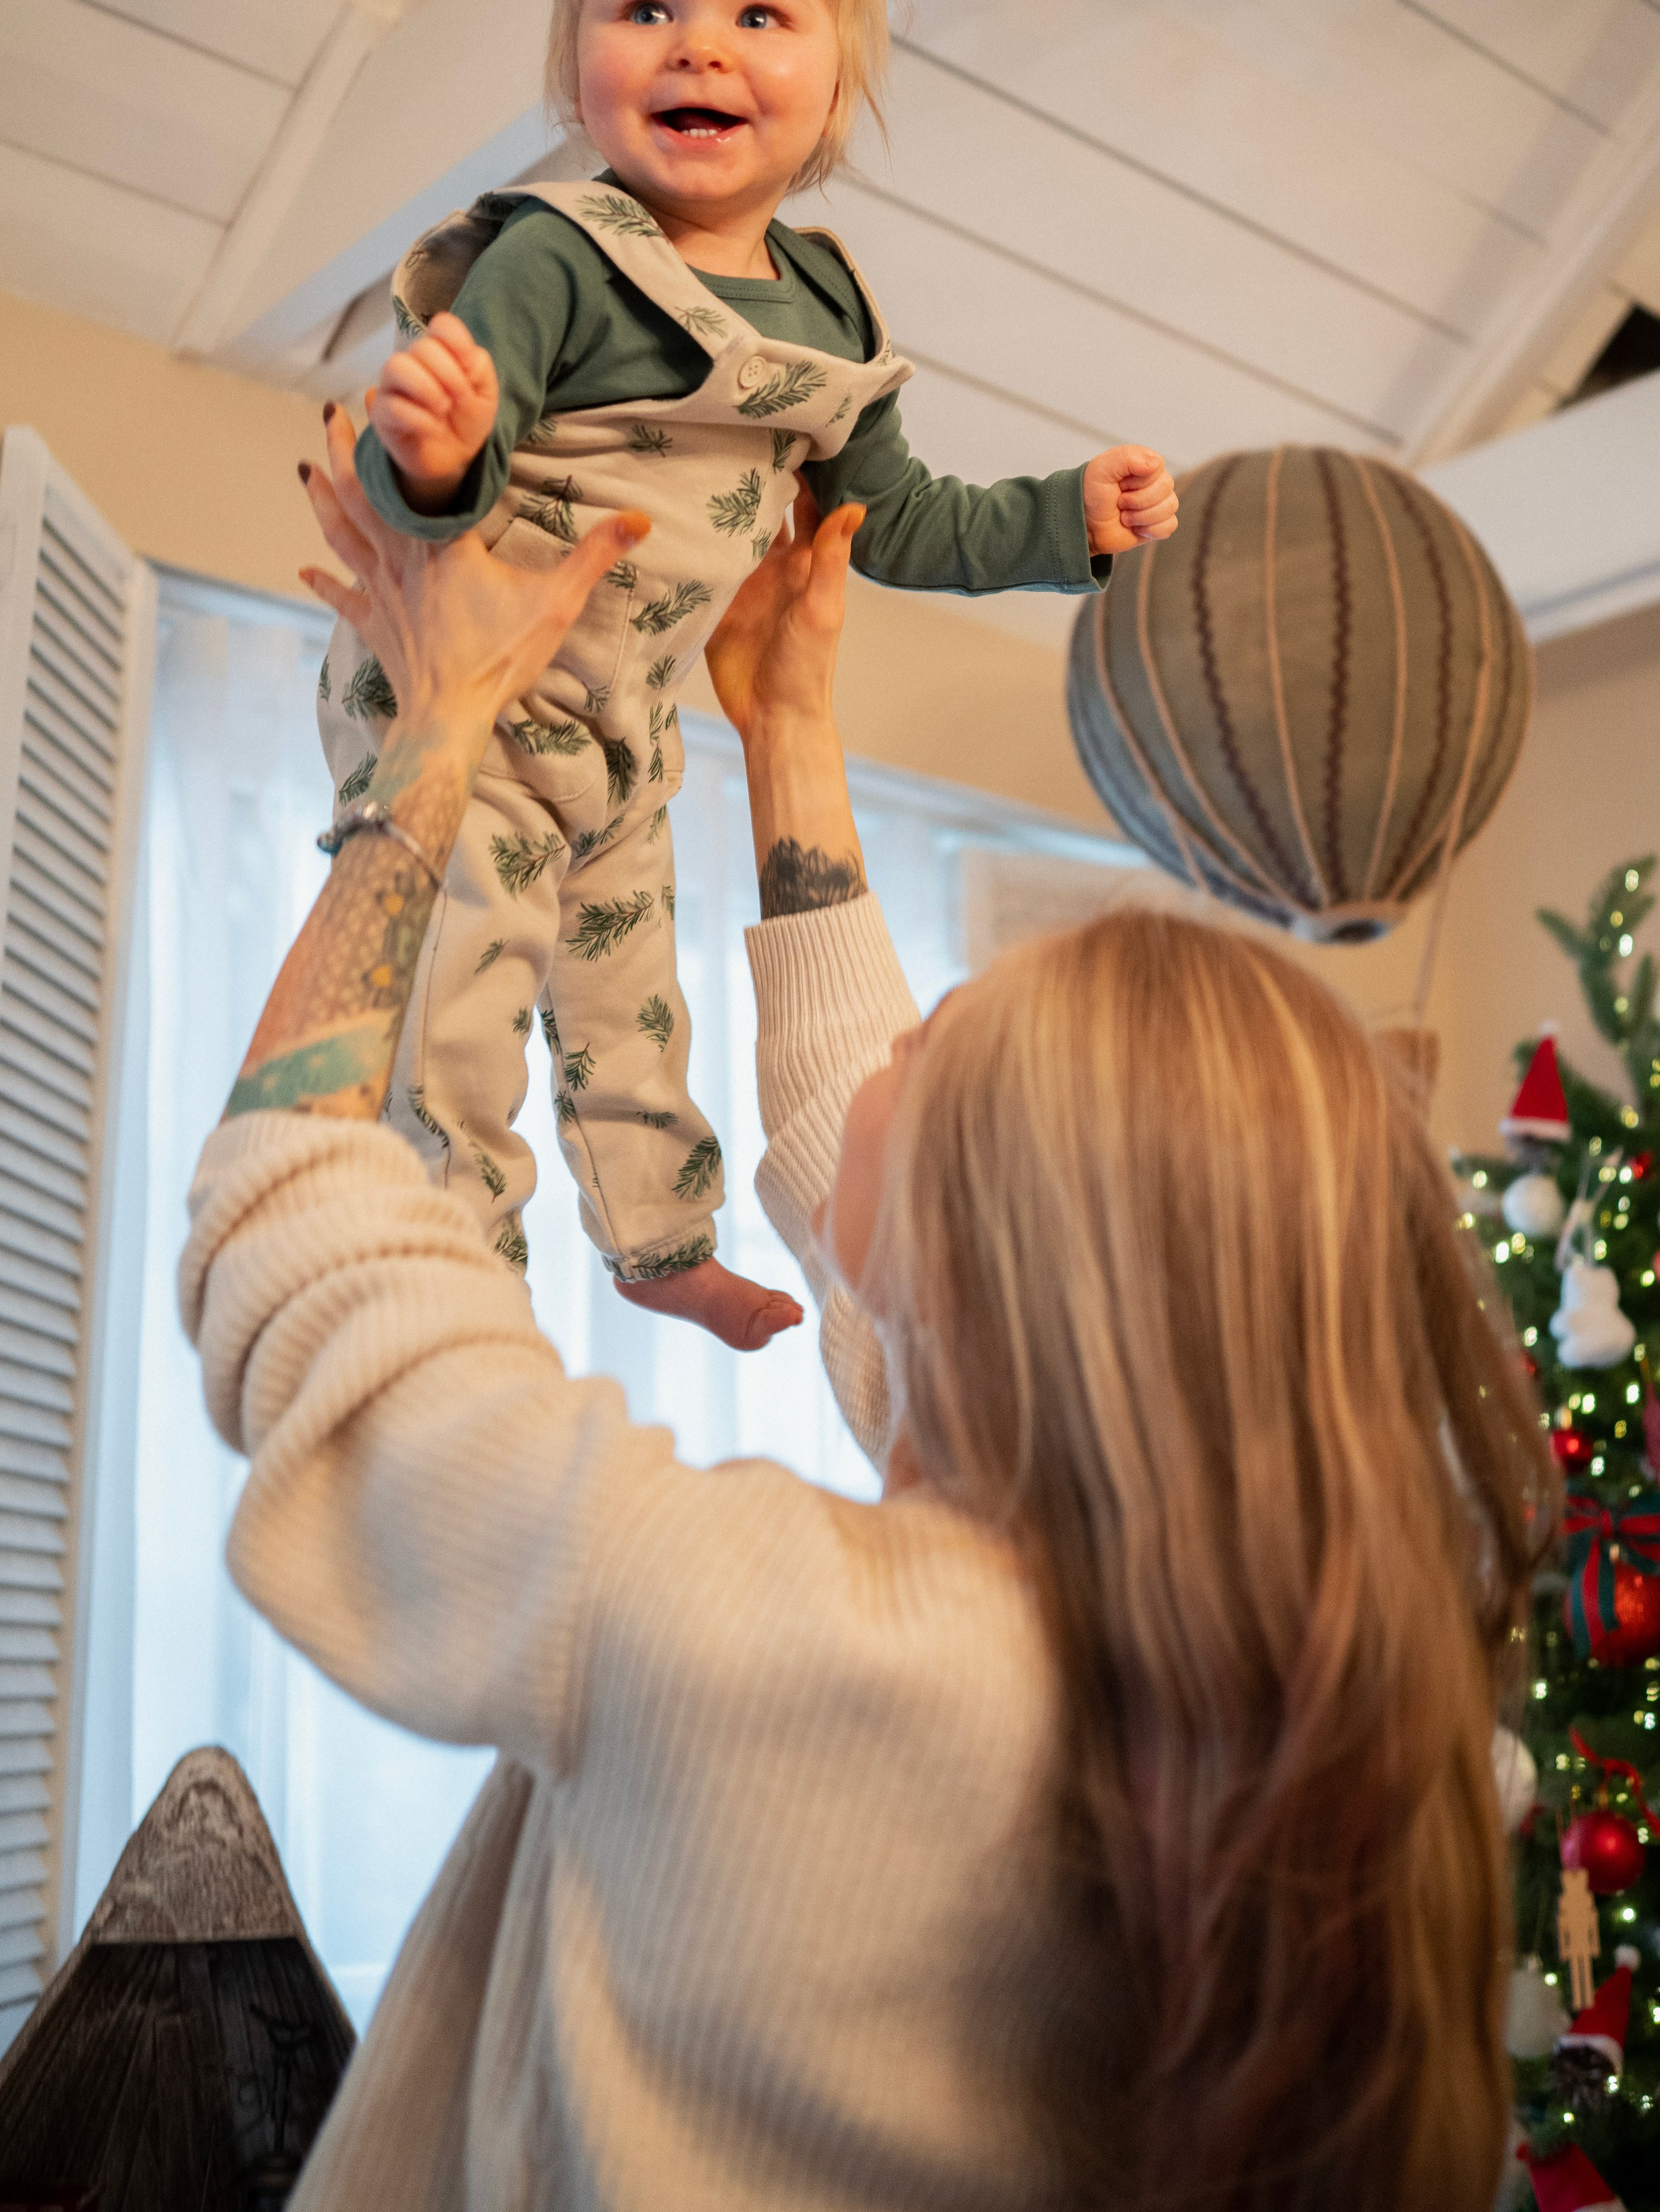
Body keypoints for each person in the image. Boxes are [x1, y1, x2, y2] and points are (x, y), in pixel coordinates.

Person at [184, 411, 1554, 2212]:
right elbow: (864, 1159)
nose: (893, 1046)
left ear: (987, 1254)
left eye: (939, 1037)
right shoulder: (1373, 1724)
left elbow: (292, 1218)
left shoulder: (725, 1621)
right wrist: (792, 726)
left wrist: (428, 744)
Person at [322, 0, 1179, 1356]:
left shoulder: (832, 315)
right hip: (464, 689)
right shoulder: (556, 260)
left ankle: (656, 1241)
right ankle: (450, 1272)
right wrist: (437, 451)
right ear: (572, 56)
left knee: (630, 990)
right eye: (643, 9)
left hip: (624, 730)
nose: (694, 49)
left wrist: (1069, 521)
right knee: (468, 980)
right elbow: (406, 511)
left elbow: (893, 521)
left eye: (755, 16)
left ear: (837, 78)